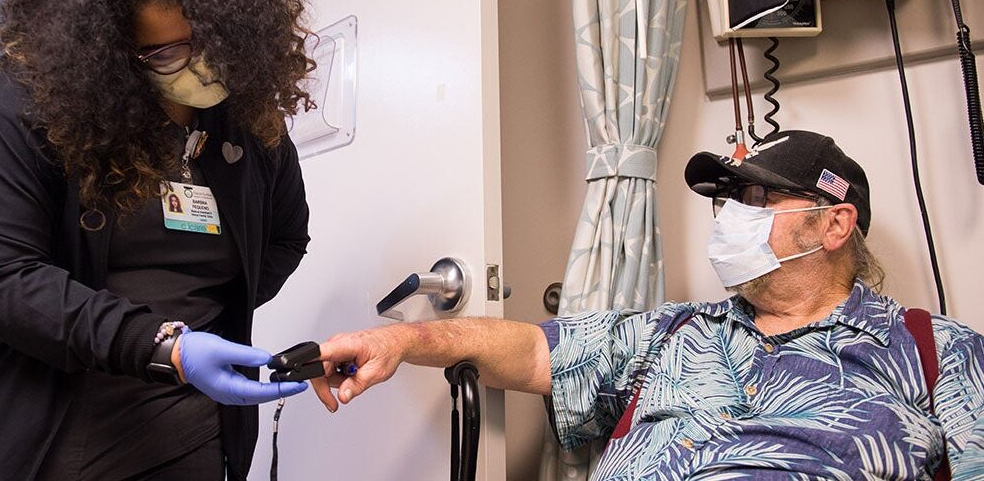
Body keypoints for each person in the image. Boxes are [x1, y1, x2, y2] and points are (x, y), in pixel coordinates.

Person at [0, 0, 315, 479]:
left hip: (182, 431)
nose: (199, 64)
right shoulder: (36, 101)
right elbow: (1, 276)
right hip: (24, 427)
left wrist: (211, 316)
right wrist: (162, 344)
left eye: (210, 40)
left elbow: (284, 238)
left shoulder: (253, 123)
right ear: (111, 54)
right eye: (165, 54)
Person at [311, 131, 984, 479]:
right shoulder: (675, 331)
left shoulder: (934, 351)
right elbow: (530, 348)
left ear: (836, 224)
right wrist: (397, 342)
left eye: (755, 201)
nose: (728, 218)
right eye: (726, 200)